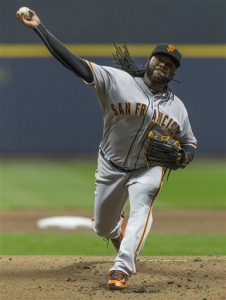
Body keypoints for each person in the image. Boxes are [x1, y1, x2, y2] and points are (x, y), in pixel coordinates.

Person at [16, 8, 197, 290]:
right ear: (149, 61)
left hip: (147, 168)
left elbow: (189, 143)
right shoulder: (116, 80)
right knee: (102, 227)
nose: (164, 64)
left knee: (143, 204)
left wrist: (185, 156)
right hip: (110, 165)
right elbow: (73, 63)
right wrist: (39, 27)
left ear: (174, 72)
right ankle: (115, 229)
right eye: (160, 58)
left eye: (170, 63)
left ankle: (121, 268)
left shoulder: (178, 108)